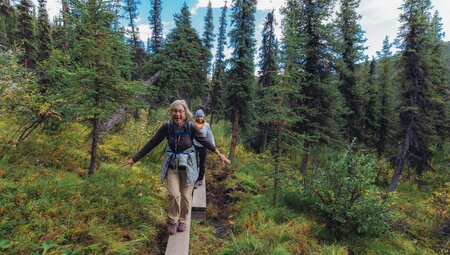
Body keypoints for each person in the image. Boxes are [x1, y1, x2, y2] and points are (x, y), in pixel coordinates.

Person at [122, 100, 230, 235]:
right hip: (172, 165)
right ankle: (173, 220)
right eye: (175, 111)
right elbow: (152, 142)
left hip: (189, 166)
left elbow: (205, 141)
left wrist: (219, 154)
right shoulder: (166, 127)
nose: (177, 114)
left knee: (185, 196)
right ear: (171, 112)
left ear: (185, 113)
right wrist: (134, 159)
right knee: (174, 194)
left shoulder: (191, 127)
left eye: (180, 111)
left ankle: (183, 220)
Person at [193, 109, 215, 188]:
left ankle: (200, 179)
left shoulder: (207, 125)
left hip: (203, 146)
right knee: (194, 162)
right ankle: (194, 180)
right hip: (195, 145)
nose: (199, 118)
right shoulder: (193, 124)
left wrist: (212, 146)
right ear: (196, 117)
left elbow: (210, 135)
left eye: (201, 116)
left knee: (202, 162)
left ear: (203, 117)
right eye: (198, 116)